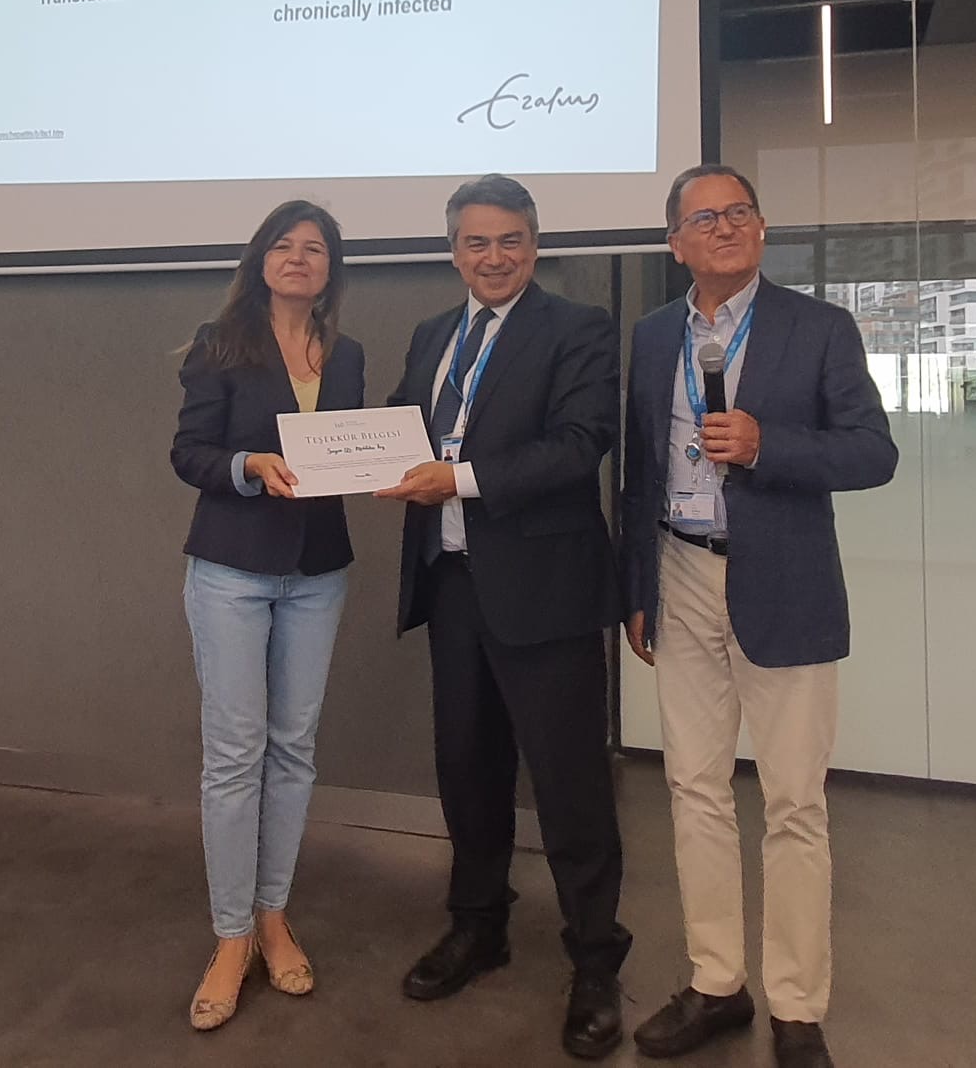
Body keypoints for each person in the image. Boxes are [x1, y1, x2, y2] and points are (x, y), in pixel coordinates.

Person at [619, 165, 897, 1066]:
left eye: (739, 212)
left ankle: (797, 1007)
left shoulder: (819, 328)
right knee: (694, 788)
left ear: (763, 227)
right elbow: (638, 471)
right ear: (676, 244)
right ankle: (716, 983)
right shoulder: (653, 335)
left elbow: (873, 452)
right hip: (678, 570)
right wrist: (636, 588)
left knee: (793, 803)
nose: (725, 227)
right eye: (704, 219)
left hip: (783, 583)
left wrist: (768, 445)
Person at [374, 174, 631, 1061]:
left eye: (511, 240)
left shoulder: (578, 329)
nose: (495, 257)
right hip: (452, 583)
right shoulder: (431, 335)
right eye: (477, 242)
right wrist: (354, 456)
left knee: (569, 785)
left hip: (545, 588)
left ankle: (595, 960)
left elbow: (580, 444)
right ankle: (478, 925)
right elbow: (404, 428)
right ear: (453, 251)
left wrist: (460, 478)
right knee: (467, 769)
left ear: (535, 245)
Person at [169, 200, 365, 1031]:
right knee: (233, 754)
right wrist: (248, 464)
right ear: (260, 260)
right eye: (283, 245)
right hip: (231, 569)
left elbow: (352, 447)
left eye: (315, 248)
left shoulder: (347, 353)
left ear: (331, 269)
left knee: (293, 750)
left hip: (318, 573)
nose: (299, 257)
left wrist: (383, 463)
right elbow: (188, 453)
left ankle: (273, 916)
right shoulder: (220, 344)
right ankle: (230, 935)